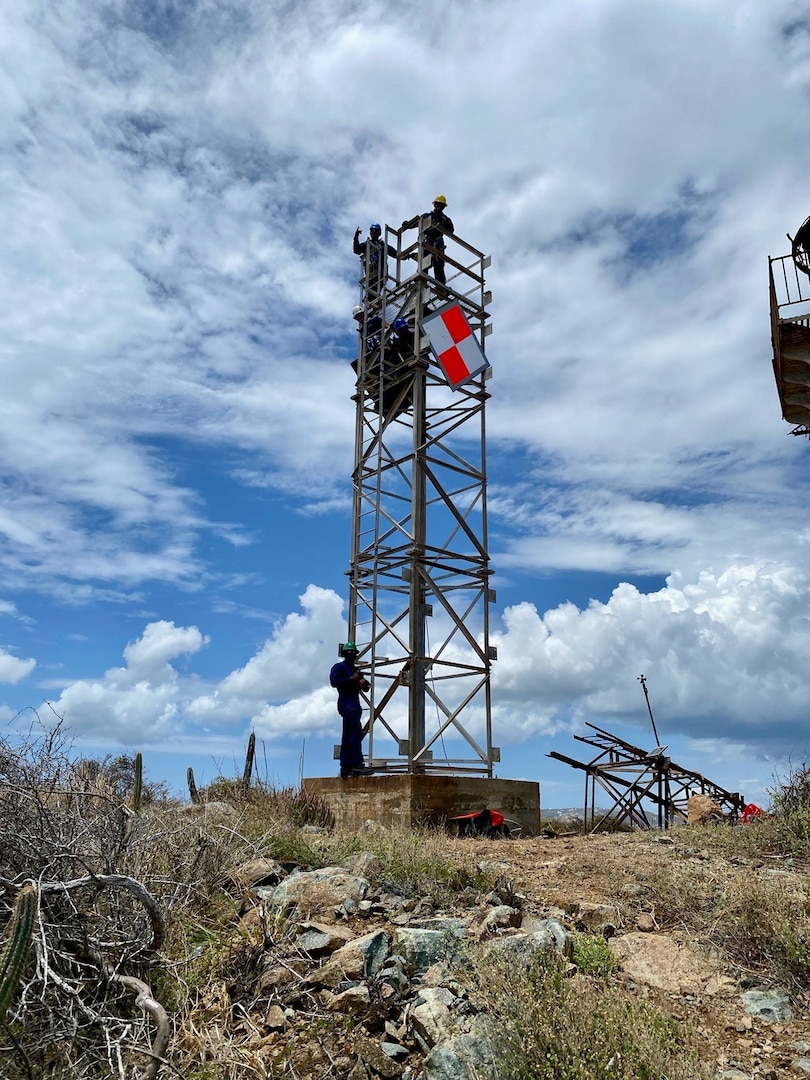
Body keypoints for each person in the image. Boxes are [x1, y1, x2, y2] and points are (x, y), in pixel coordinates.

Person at [330, 642, 372, 778]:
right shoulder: (340, 667)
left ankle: (346, 766)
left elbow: (365, 686)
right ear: (344, 654)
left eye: (354, 653)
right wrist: (351, 679)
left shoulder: (355, 670)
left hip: (354, 705)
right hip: (347, 704)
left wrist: (363, 683)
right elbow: (334, 681)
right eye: (350, 653)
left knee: (350, 735)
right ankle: (356, 764)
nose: (352, 655)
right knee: (354, 734)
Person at [401, 195, 455, 285]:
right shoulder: (427, 216)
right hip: (427, 242)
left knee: (439, 266)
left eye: (441, 205)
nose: (439, 206)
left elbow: (451, 231)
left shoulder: (445, 220)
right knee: (423, 263)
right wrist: (408, 225)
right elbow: (417, 222)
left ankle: (440, 286)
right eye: (438, 204)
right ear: (434, 205)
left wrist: (446, 222)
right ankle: (421, 282)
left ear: (443, 207)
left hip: (438, 244)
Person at [353, 223, 397, 298]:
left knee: (374, 293)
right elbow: (357, 250)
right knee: (369, 297)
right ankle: (373, 305)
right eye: (372, 230)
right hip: (371, 275)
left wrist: (406, 255)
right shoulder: (368, 244)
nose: (373, 232)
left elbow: (395, 254)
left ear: (379, 233)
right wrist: (356, 236)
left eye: (375, 230)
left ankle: (375, 304)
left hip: (380, 274)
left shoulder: (383, 245)